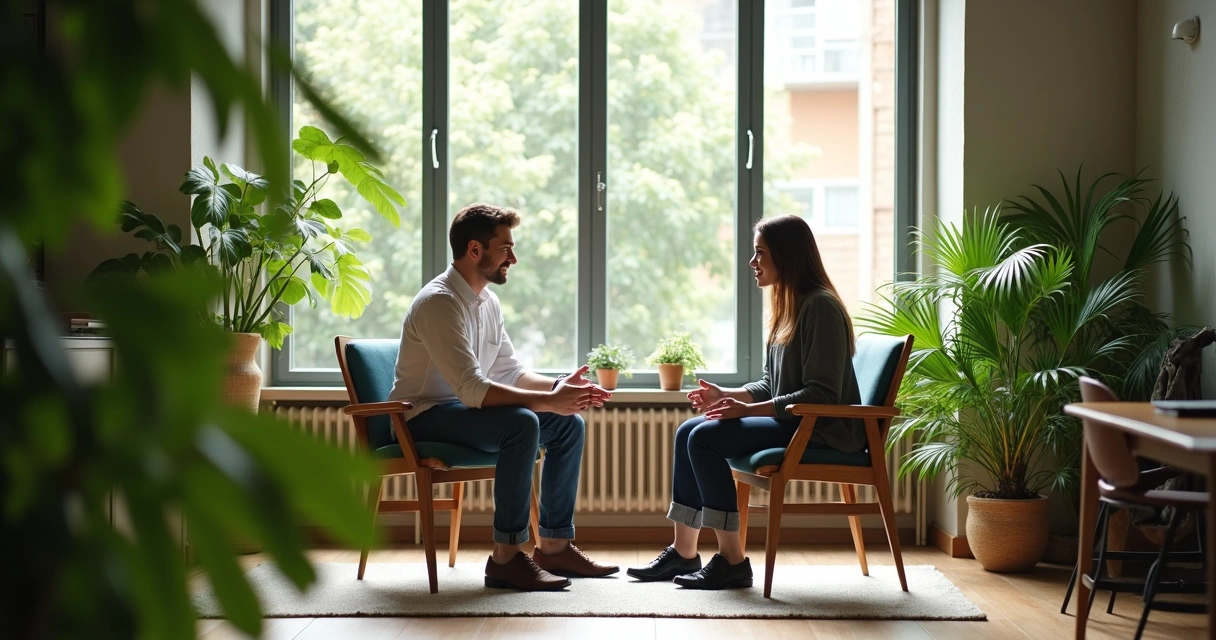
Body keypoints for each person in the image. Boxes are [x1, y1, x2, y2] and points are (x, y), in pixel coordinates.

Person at [388, 202, 618, 591]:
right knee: (522, 423)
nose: (514, 257)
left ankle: (554, 545)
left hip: (460, 410)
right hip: (421, 417)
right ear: (475, 250)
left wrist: (559, 389)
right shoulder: (439, 303)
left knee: (567, 424)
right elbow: (473, 389)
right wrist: (547, 402)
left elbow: (509, 371)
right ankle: (506, 557)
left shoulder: (488, 303)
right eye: (505, 248)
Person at [626, 214, 863, 589]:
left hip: (821, 430)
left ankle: (731, 561)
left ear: (786, 257)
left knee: (704, 438)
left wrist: (746, 410)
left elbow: (821, 394)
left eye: (760, 253)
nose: (753, 263)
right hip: (793, 422)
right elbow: (772, 384)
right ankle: (684, 552)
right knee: (689, 429)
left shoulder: (821, 307)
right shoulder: (787, 307)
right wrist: (727, 396)